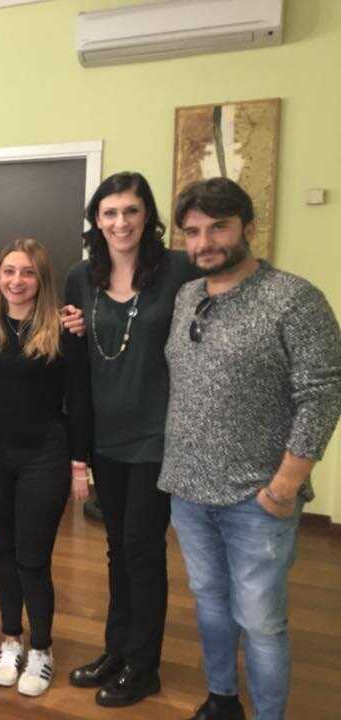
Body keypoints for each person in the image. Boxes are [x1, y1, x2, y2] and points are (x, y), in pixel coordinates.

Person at [160, 177, 341, 720]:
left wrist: (284, 486)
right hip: (189, 490)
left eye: (218, 227)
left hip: (258, 498)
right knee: (211, 604)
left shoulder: (294, 299)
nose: (204, 242)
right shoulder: (188, 296)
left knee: (261, 621)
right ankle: (222, 699)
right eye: (193, 231)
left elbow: (323, 394)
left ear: (248, 228)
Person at [64, 171, 200, 707]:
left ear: (148, 217)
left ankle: (144, 667)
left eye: (131, 211)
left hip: (157, 435)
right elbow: (78, 355)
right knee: (116, 549)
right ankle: (116, 651)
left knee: (142, 550)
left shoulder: (178, 270)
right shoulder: (82, 276)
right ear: (97, 221)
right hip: (106, 435)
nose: (121, 222)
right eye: (110, 213)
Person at [0, 239, 92, 697]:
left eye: (26, 272)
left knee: (32, 558)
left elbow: (79, 401)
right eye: (8, 271)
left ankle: (41, 649)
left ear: (41, 280)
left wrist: (79, 465)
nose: (16, 281)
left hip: (44, 456)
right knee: (4, 551)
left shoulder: (64, 329)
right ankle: (11, 641)